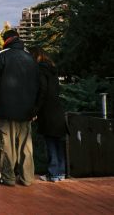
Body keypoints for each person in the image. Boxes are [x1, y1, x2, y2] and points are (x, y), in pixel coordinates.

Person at [0, 29, 40, 186]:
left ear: (5, 40)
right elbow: (37, 85)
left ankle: (8, 178)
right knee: (26, 146)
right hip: (27, 111)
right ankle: (28, 178)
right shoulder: (30, 58)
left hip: (6, 110)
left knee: (7, 145)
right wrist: (35, 109)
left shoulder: (1, 56)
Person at [29, 47, 68, 182]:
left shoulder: (40, 70)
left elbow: (42, 91)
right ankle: (61, 172)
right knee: (58, 143)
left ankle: (53, 173)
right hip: (58, 110)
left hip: (47, 112)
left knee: (50, 142)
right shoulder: (52, 71)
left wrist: (35, 110)